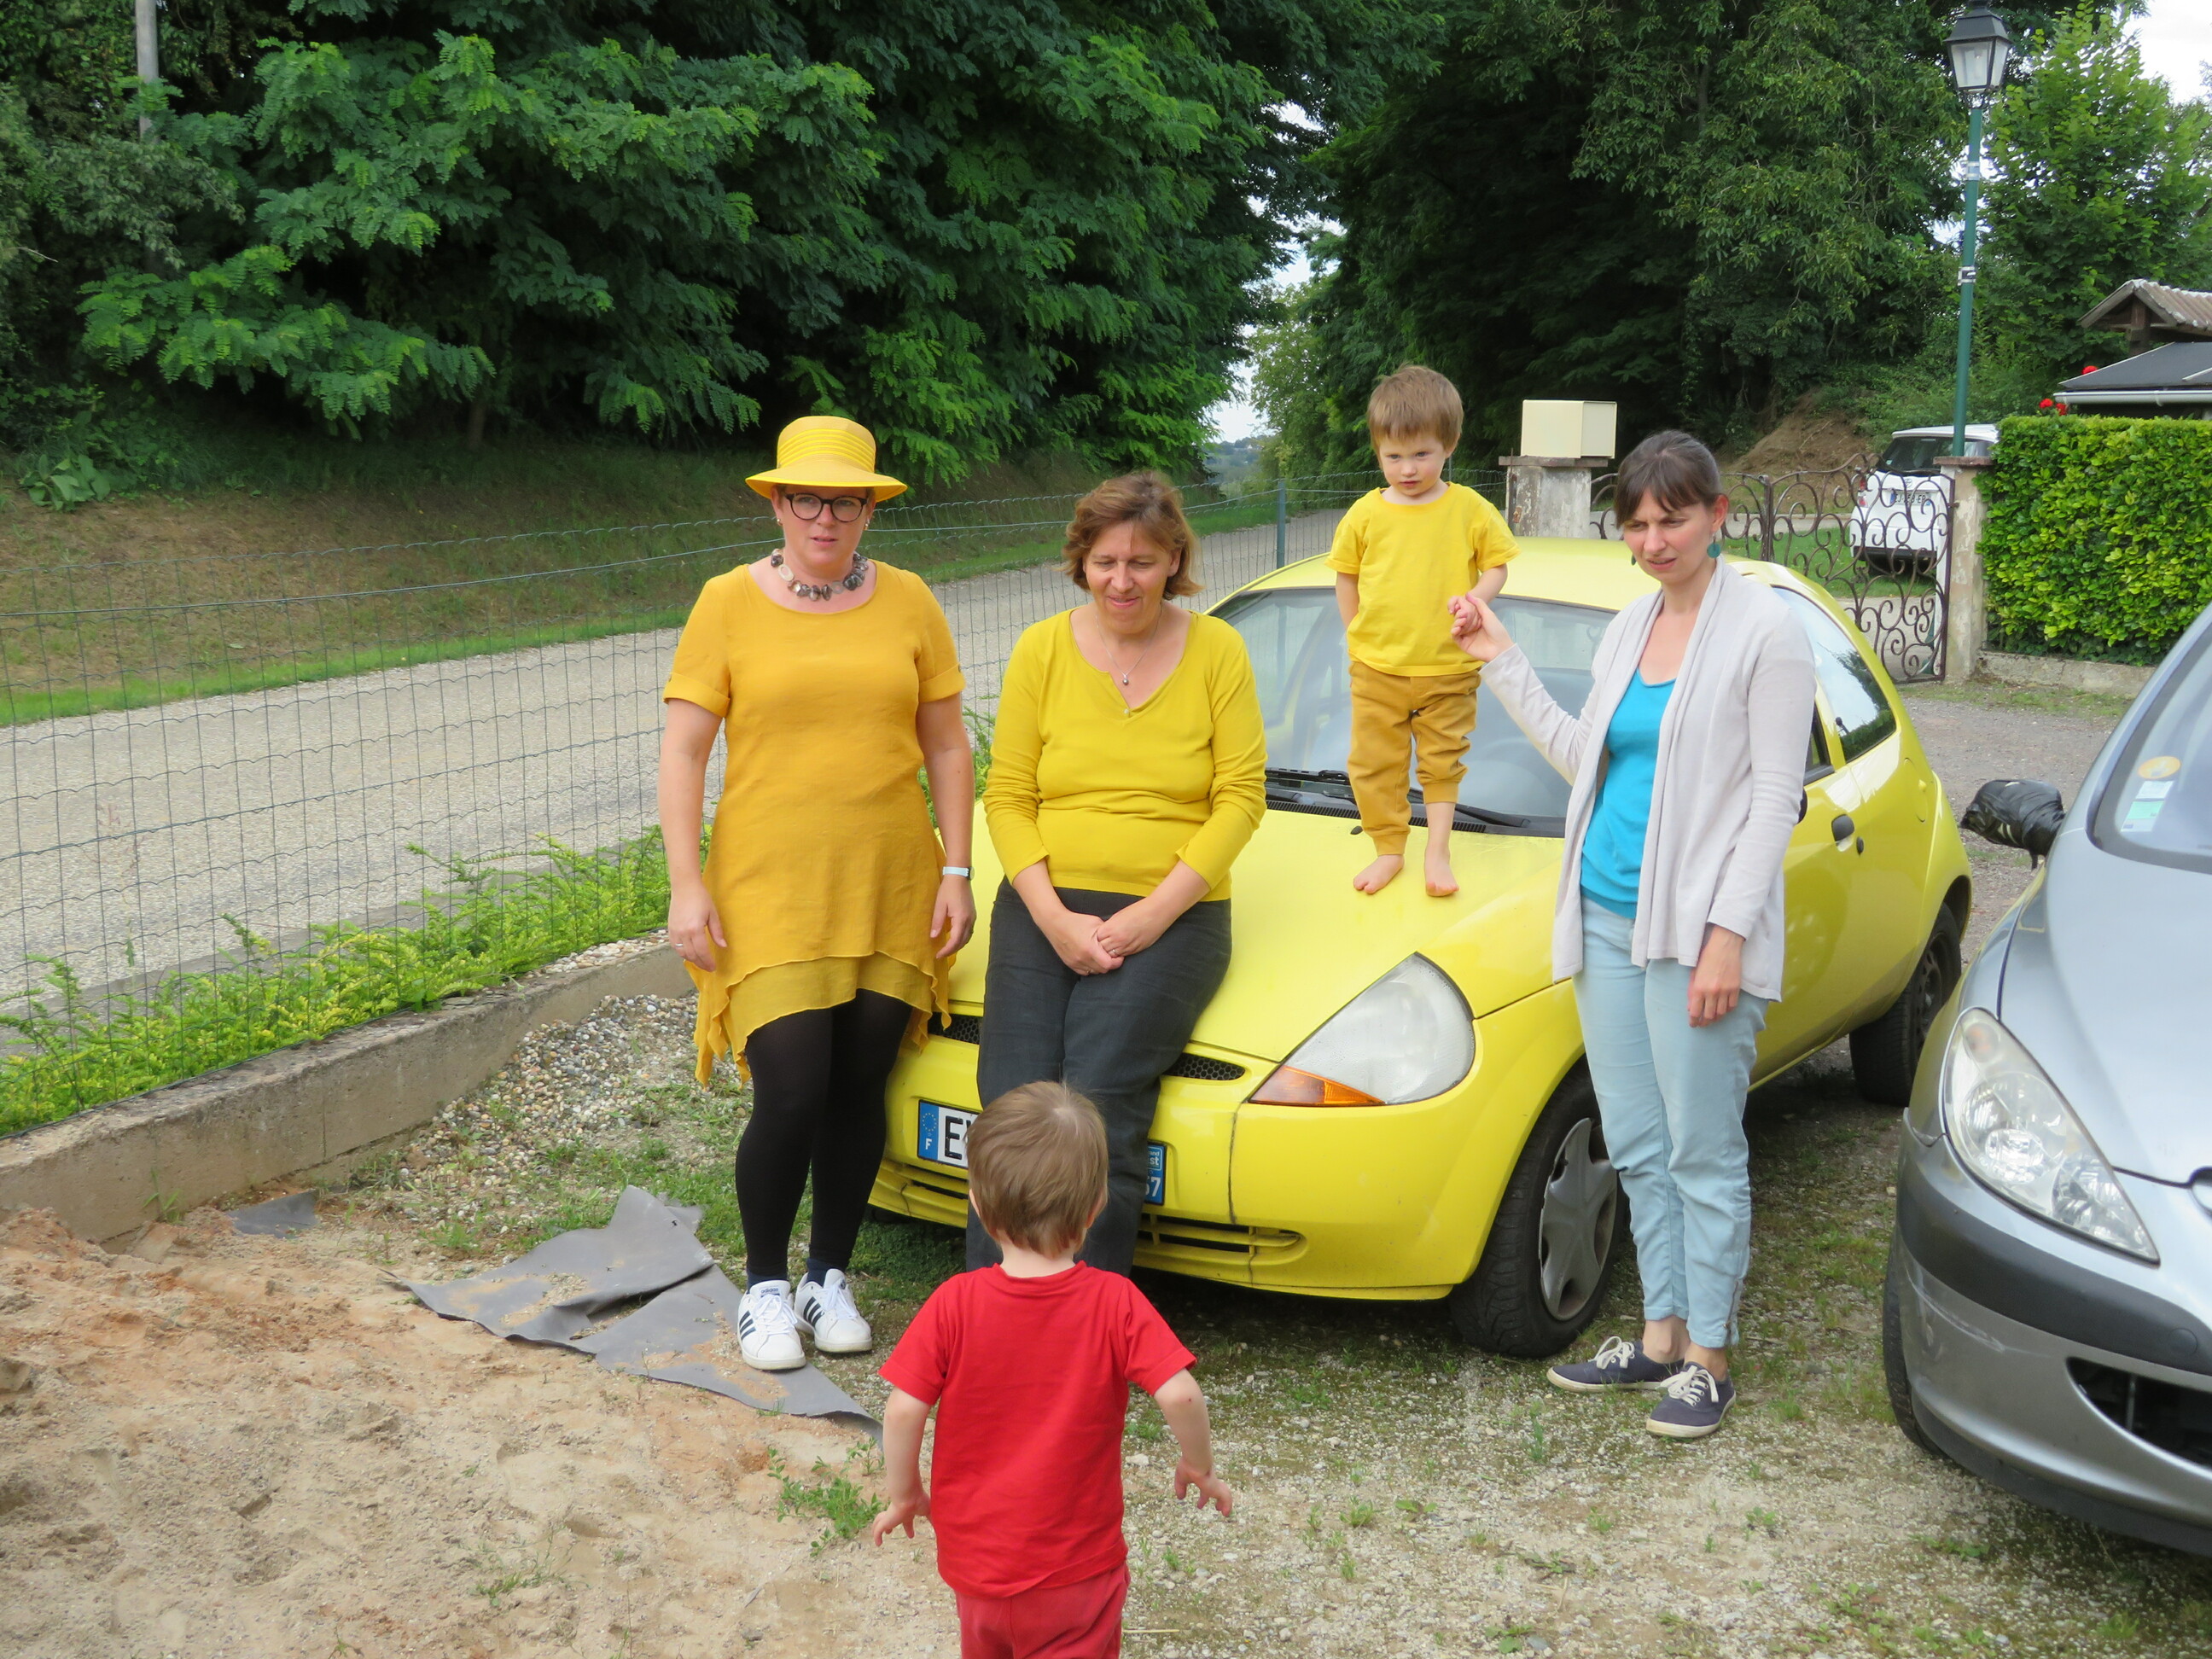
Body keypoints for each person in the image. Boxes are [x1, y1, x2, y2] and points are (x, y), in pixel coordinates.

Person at [1447, 430, 1815, 1440]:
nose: (1654, 541)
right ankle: (1659, 1338)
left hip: (1697, 932)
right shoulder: (1629, 627)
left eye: (1673, 520)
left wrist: (1728, 936)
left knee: (1702, 1149)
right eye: (1638, 524)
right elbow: (1587, 757)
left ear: (1717, 516)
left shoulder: (1765, 632)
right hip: (1606, 916)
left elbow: (1775, 798)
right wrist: (1501, 659)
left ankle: (1709, 1359)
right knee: (1641, 1146)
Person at [658, 415, 976, 1372]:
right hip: (768, 885)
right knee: (792, 1086)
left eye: (845, 500)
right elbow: (684, 749)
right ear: (778, 503)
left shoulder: (912, 600)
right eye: (807, 498)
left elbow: (947, 745)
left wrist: (957, 869)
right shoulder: (725, 602)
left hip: (889, 877)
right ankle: (763, 1286)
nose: (825, 517)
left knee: (858, 1084)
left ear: (870, 509)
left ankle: (827, 1275)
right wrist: (685, 883)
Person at [969, 472, 1266, 1275]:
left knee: (1097, 1104)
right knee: (1012, 1104)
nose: (1122, 580)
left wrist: (1151, 916)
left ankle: (1086, 1315)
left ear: (1174, 561)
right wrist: (1053, 918)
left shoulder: (1219, 651)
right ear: (1082, 563)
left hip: (1172, 914)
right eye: (1105, 562)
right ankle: (994, 1309)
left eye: (1141, 561)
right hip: (1043, 904)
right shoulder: (1040, 650)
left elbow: (1241, 799)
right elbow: (1008, 796)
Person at [871, 1082, 1232, 1658]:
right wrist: (1199, 1465)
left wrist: (905, 1492)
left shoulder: (953, 1303)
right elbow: (1180, 1395)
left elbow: (902, 1409)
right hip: (1077, 1571)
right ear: (1095, 1207)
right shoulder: (1115, 1302)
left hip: (977, 1568)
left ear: (978, 1204)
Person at [1330, 364, 1517, 899]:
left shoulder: (1470, 508)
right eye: (1394, 457)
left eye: (1422, 454)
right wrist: (1356, 635)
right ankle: (1389, 848)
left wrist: (1476, 601)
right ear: (1377, 450)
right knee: (1374, 764)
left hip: (1447, 666)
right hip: (1377, 669)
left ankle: (1438, 849)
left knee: (1441, 761)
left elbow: (1498, 566)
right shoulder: (1365, 514)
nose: (1408, 469)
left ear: (1449, 445)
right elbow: (1346, 578)